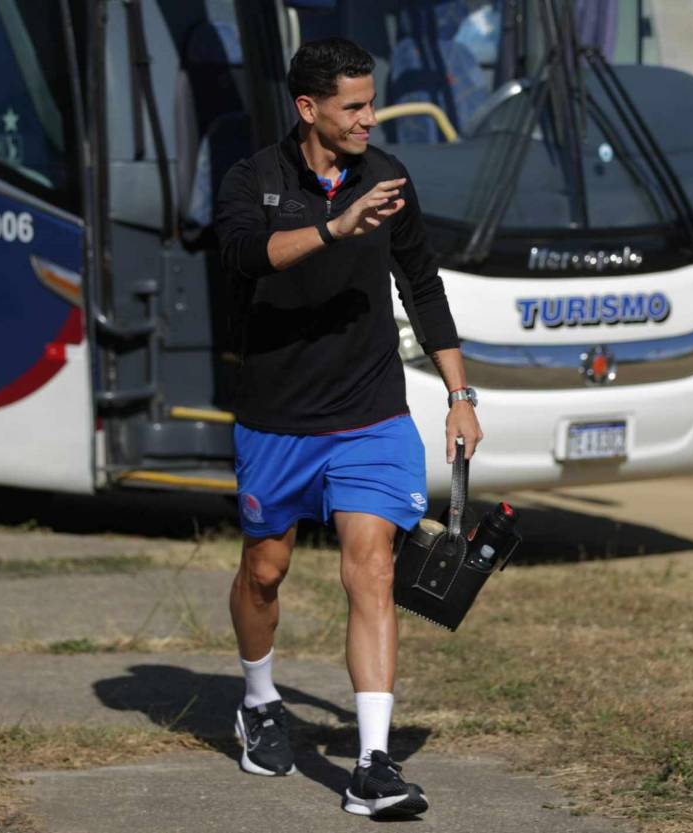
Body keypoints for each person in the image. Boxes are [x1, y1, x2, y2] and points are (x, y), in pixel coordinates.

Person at [214, 38, 483, 819]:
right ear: (310, 109)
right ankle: (260, 699)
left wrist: (461, 395)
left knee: (370, 568)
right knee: (264, 571)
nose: (370, 118)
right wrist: (337, 225)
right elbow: (245, 256)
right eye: (354, 106)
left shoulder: (389, 178)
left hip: (370, 412)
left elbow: (423, 287)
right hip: (277, 418)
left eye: (373, 102)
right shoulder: (251, 180)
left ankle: (372, 763)